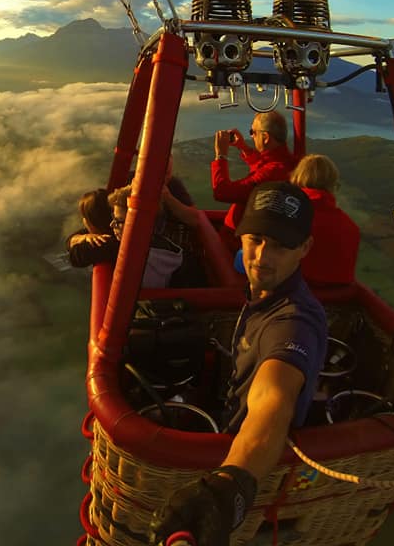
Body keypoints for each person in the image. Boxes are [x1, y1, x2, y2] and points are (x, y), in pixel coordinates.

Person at [150, 181, 327, 546]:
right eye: (256, 239)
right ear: (240, 236)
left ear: (305, 248)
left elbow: (273, 404)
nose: (262, 256)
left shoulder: (292, 321)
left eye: (280, 245)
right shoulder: (265, 295)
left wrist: (229, 485)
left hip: (238, 452)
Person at [212, 111, 297, 232]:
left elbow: (222, 192)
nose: (251, 136)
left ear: (266, 137)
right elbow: (263, 167)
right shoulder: (286, 163)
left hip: (238, 243)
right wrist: (243, 147)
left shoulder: (273, 172)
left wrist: (220, 156)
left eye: (253, 132)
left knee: (197, 218)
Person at [291, 154, 361, 285]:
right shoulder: (351, 226)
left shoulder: (289, 217)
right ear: (332, 185)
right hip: (338, 298)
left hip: (296, 294)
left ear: (297, 179)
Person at [66, 188, 119, 268]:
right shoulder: (114, 230)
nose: (83, 221)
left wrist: (83, 239)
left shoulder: (105, 243)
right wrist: (84, 237)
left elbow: (74, 257)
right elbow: (69, 240)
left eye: (84, 217)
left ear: (92, 221)